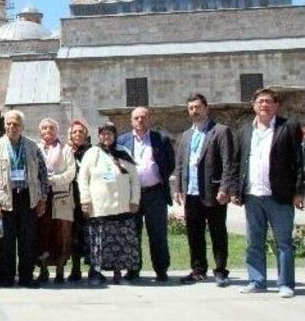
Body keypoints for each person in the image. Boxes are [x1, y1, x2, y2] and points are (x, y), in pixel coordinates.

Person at [232, 88, 304, 298]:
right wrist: (237, 189)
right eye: (260, 101)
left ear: (276, 105)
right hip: (253, 195)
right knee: (253, 241)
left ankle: (285, 284)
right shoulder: (245, 130)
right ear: (254, 105)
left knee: (284, 242)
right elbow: (239, 162)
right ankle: (257, 280)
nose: (264, 105)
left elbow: (299, 162)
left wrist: (300, 191)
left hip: (279, 195)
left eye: (268, 101)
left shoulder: (288, 127)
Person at [173, 94, 235, 286]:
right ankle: (198, 270)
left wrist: (225, 187)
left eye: (198, 107)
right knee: (194, 233)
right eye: (191, 108)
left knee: (217, 232)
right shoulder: (185, 136)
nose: (194, 111)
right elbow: (180, 164)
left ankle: (220, 270)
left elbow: (228, 162)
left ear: (206, 108)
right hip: (191, 194)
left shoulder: (220, 131)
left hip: (214, 191)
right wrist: (178, 188)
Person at [0, 110, 49, 288]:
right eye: (9, 124)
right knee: (6, 241)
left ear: (22, 126)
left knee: (27, 240)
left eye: (16, 124)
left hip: (28, 198)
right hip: (5, 199)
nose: (12, 127)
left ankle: (26, 277)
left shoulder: (32, 146)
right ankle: (5, 277)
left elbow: (44, 174)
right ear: (4, 125)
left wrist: (43, 198)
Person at [77, 122, 141, 285]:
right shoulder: (92, 153)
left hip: (122, 206)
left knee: (120, 241)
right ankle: (96, 272)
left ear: (115, 135)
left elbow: (135, 179)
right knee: (99, 241)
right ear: (99, 136)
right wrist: (85, 201)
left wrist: (135, 200)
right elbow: (83, 179)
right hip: (99, 207)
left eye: (110, 134)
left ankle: (118, 273)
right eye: (103, 134)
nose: (107, 137)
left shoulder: (123, 152)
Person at [117, 106, 175, 282]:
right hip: (132, 195)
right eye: (136, 118)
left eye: (143, 117)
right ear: (131, 120)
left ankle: (161, 269)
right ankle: (133, 269)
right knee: (132, 233)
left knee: (158, 233)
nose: (140, 121)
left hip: (155, 193)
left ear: (149, 119)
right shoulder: (122, 141)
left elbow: (170, 163)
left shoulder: (161, 139)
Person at [35, 118, 77, 285]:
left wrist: (52, 180)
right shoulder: (35, 149)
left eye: (51, 128)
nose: (48, 131)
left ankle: (60, 269)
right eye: (44, 128)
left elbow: (70, 173)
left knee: (62, 235)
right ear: (40, 131)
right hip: (41, 198)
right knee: (42, 234)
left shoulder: (66, 150)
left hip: (61, 198)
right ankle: (43, 270)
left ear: (57, 130)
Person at [67, 120, 92, 281]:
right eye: (74, 132)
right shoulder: (67, 152)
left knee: (91, 233)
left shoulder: (93, 152)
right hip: (72, 198)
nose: (77, 135)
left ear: (86, 135)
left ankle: (93, 268)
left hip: (90, 198)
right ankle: (75, 268)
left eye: (80, 132)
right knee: (74, 234)